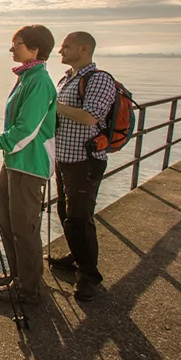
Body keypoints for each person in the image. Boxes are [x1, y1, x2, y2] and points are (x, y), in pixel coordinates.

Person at [0, 24, 57, 304]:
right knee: (6, 220)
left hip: (29, 167)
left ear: (34, 49)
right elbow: (18, 127)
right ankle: (19, 276)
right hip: (15, 163)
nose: (11, 49)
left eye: (16, 44)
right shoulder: (28, 77)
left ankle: (27, 288)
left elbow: (27, 130)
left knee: (24, 228)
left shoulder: (39, 82)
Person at [46, 32, 117, 301]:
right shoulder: (67, 78)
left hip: (85, 162)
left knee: (79, 217)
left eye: (67, 46)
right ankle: (76, 257)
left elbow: (89, 118)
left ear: (84, 49)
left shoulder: (98, 79)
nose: (60, 51)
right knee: (65, 211)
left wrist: (55, 104)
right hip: (64, 158)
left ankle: (89, 276)